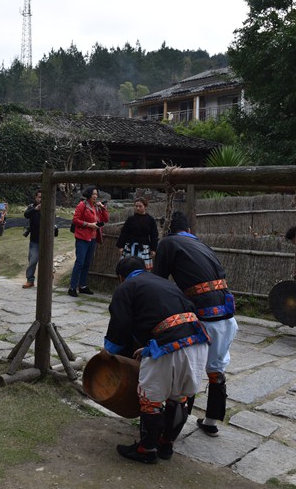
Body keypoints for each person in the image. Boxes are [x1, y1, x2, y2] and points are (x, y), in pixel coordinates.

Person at [106, 257, 209, 464]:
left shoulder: (127, 287)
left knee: (150, 397)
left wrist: (109, 353)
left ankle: (147, 449)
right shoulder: (164, 282)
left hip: (167, 347)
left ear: (120, 276)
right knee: (178, 395)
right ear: (145, 269)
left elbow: (121, 324)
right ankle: (166, 444)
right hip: (198, 342)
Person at [154, 211, 238, 437]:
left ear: (167, 231)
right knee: (216, 370)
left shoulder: (168, 243)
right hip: (227, 318)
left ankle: (170, 433)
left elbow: (159, 282)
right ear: (189, 230)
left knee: (186, 373)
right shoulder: (202, 245)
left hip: (203, 320)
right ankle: (211, 421)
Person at [68, 186, 109, 297]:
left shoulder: (96, 206)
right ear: (89, 194)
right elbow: (75, 220)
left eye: (96, 194)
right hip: (82, 237)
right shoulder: (82, 205)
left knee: (87, 263)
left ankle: (83, 286)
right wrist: (88, 224)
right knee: (80, 262)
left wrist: (103, 208)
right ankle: (72, 287)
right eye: (94, 194)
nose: (95, 196)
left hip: (93, 238)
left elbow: (105, 219)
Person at [116, 196, 159, 271]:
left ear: (145, 206)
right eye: (136, 206)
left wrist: (153, 249)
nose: (138, 208)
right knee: (127, 268)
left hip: (144, 248)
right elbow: (124, 232)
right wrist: (121, 246)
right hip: (130, 246)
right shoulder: (131, 219)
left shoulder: (150, 220)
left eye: (140, 206)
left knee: (143, 269)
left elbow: (154, 235)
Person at [23, 190, 42, 289]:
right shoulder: (32, 207)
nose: (41, 199)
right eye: (39, 197)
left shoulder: (49, 207)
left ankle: (45, 280)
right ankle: (30, 280)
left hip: (47, 240)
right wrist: (35, 209)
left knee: (47, 261)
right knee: (33, 260)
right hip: (35, 239)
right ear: (35, 197)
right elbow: (26, 215)